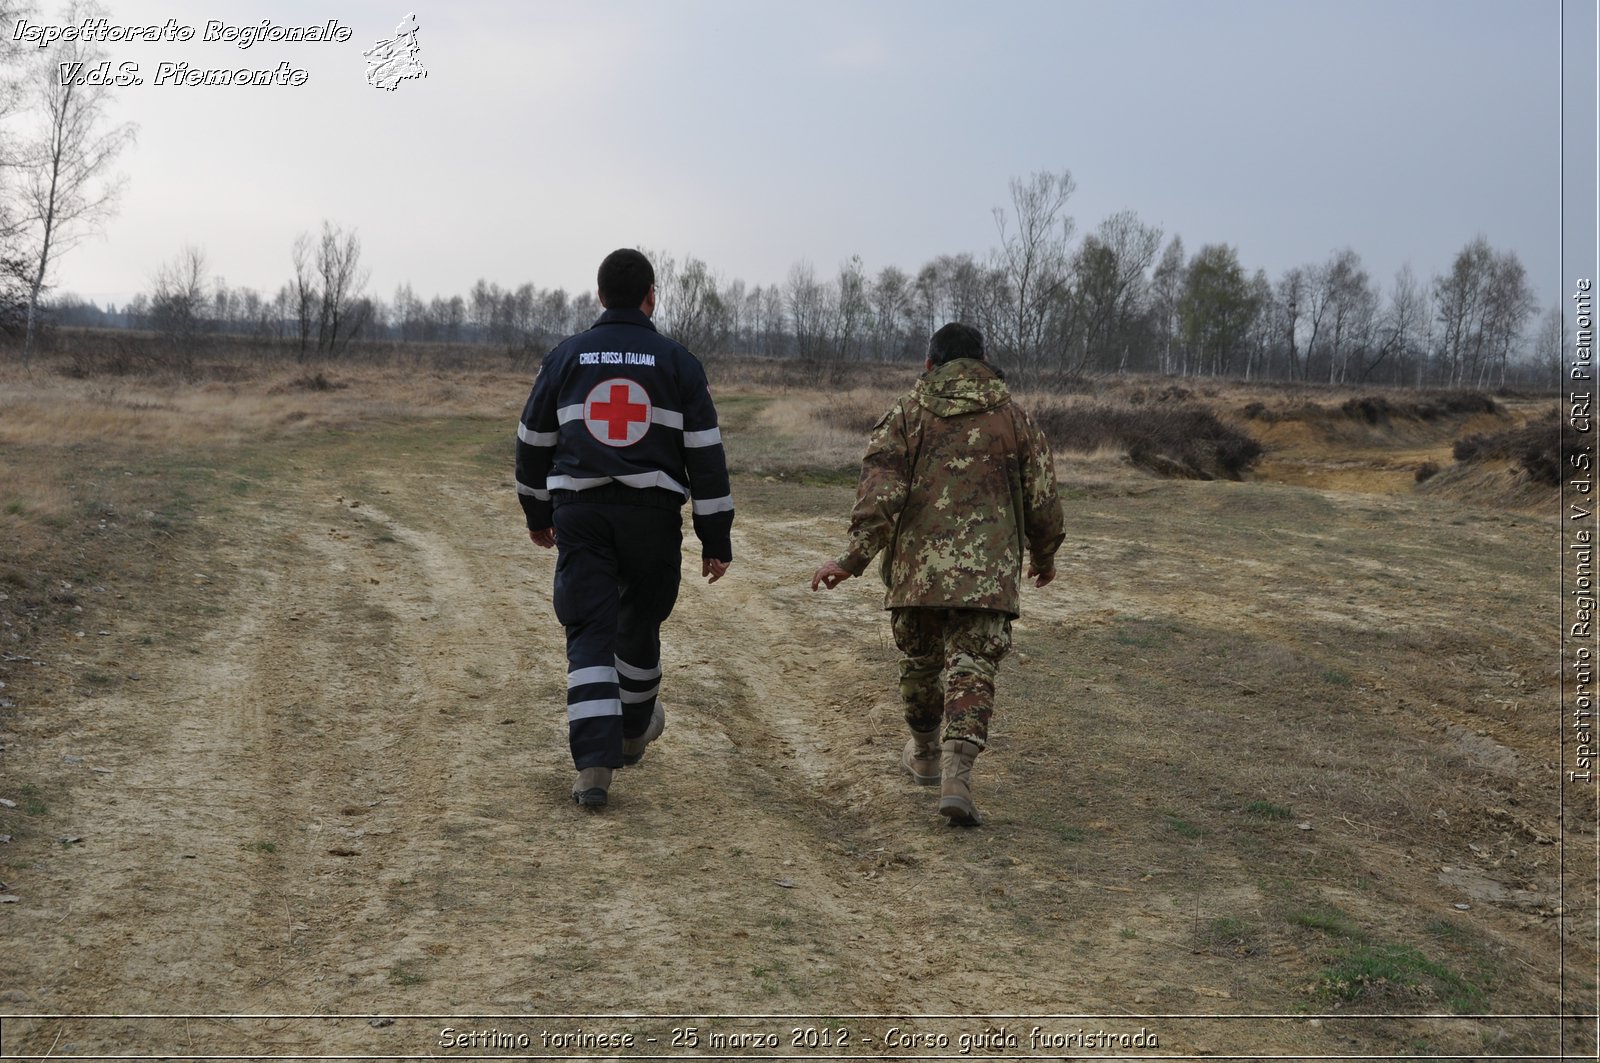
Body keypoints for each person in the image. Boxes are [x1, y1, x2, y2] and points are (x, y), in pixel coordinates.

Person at [811, 322, 1063, 826]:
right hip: (986, 581)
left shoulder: (905, 414)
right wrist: (1044, 554)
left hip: (916, 579)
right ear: (984, 362)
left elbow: (880, 494)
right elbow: (1043, 499)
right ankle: (956, 775)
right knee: (973, 669)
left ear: (929, 364)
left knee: (922, 664)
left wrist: (852, 559)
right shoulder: (1016, 418)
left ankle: (924, 751)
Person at [516, 248, 734, 808]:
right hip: (652, 517)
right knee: (640, 622)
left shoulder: (564, 358)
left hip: (580, 515)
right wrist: (716, 538)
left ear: (598, 296)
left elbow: (532, 441)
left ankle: (593, 767)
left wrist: (537, 513)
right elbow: (706, 458)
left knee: (589, 630)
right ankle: (634, 731)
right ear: (651, 296)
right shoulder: (679, 363)